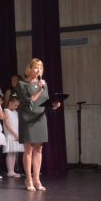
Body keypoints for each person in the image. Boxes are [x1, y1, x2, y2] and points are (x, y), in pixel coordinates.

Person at [17, 58, 61, 191]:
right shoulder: (22, 84)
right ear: (29, 69)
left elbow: (45, 101)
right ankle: (28, 179)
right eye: (36, 67)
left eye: (40, 68)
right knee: (28, 150)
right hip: (27, 118)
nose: (38, 70)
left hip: (40, 117)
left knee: (38, 149)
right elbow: (29, 101)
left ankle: (37, 179)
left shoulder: (43, 84)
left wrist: (53, 105)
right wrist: (40, 89)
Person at [3, 96, 23, 177]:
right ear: (10, 103)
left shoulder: (15, 112)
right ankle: (10, 171)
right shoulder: (6, 111)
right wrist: (14, 134)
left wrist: (18, 134)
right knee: (10, 153)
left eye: (17, 105)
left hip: (16, 134)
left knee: (14, 153)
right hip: (10, 134)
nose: (16, 107)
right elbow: (7, 125)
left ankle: (12, 170)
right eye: (15, 105)